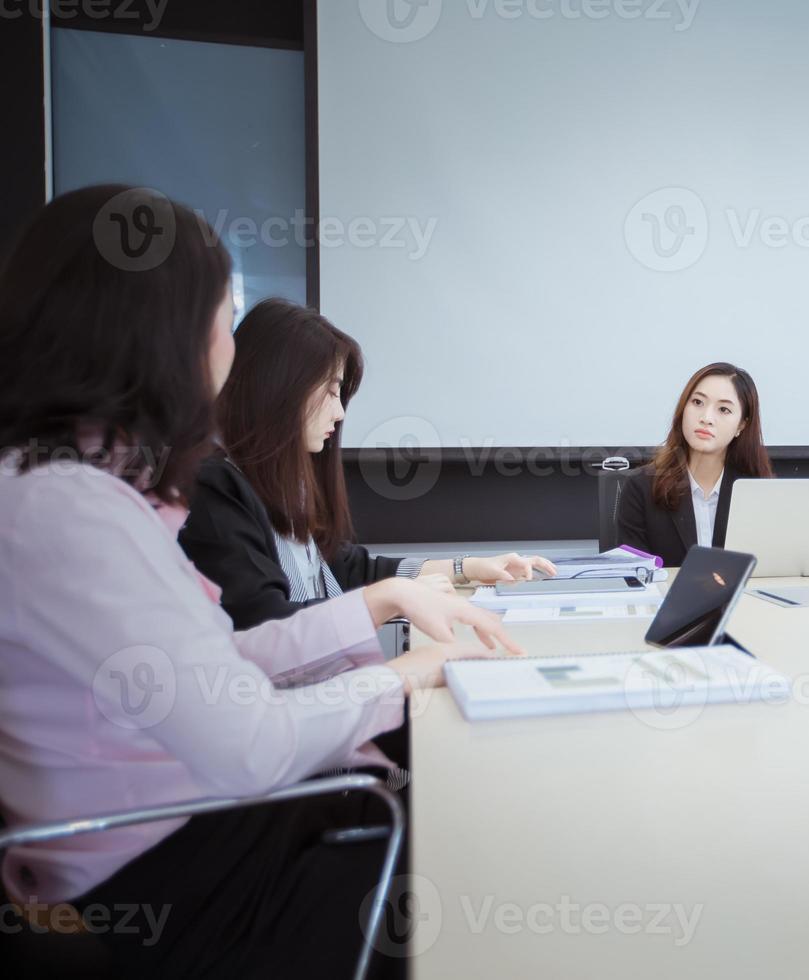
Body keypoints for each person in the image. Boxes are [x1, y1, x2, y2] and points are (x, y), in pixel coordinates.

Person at [0, 185, 516, 977]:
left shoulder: (62, 487)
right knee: (484, 850)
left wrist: (383, 613)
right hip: (185, 871)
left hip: (174, 841)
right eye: (220, 313)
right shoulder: (72, 509)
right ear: (162, 332)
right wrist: (404, 677)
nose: (228, 345)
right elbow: (250, 744)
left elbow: (227, 662)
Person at [179, 298, 556, 631]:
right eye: (328, 391)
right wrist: (392, 599)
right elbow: (265, 624)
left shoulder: (283, 487)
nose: (339, 411)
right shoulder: (217, 489)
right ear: (278, 388)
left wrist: (470, 567)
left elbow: (353, 570)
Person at [617, 362, 773, 568]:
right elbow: (635, 577)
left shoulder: (759, 491)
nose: (706, 418)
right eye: (698, 402)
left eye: (724, 409)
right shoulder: (641, 488)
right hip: (668, 600)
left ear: (741, 425)